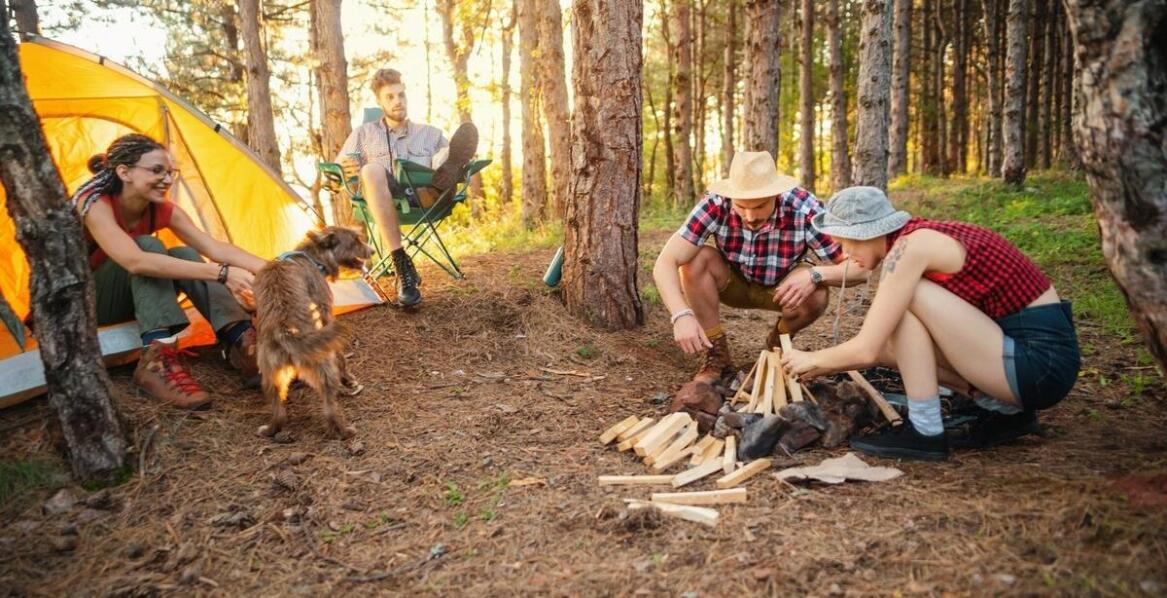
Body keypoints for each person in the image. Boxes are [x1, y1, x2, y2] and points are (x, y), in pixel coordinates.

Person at [781, 186, 1081, 461]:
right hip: (1031, 362)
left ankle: (925, 432)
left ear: (865, 232)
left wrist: (812, 359)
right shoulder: (922, 237)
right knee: (893, 345)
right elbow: (882, 349)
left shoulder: (910, 249)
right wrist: (825, 363)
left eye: (845, 242)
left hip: (1039, 365)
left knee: (906, 298)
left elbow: (865, 350)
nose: (846, 254)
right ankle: (1006, 411)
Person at [73, 133, 265, 410]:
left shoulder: (159, 209)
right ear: (124, 172)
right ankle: (157, 359)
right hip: (86, 306)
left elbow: (215, 248)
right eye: (156, 170)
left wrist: (276, 271)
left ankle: (244, 345)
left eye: (169, 172)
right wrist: (223, 274)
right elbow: (134, 262)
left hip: (133, 298)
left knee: (185, 254)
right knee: (147, 246)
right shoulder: (94, 204)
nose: (167, 179)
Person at [653, 151, 871, 383]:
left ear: (776, 194)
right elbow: (665, 263)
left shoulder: (805, 208)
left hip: (782, 289)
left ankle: (777, 346)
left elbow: (861, 268)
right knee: (694, 261)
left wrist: (815, 274)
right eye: (741, 206)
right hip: (733, 282)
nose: (749, 216)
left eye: (759, 206)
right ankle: (716, 353)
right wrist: (681, 314)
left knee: (817, 293)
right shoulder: (716, 203)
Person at [337, 67, 478, 307]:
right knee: (370, 170)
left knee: (446, 159)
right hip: (386, 199)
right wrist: (346, 169)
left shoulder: (430, 134)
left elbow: (457, 167)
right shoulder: (363, 134)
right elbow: (339, 168)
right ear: (380, 102)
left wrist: (461, 163)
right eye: (390, 97)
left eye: (401, 95)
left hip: (426, 200)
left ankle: (437, 180)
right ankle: (400, 262)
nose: (397, 101)